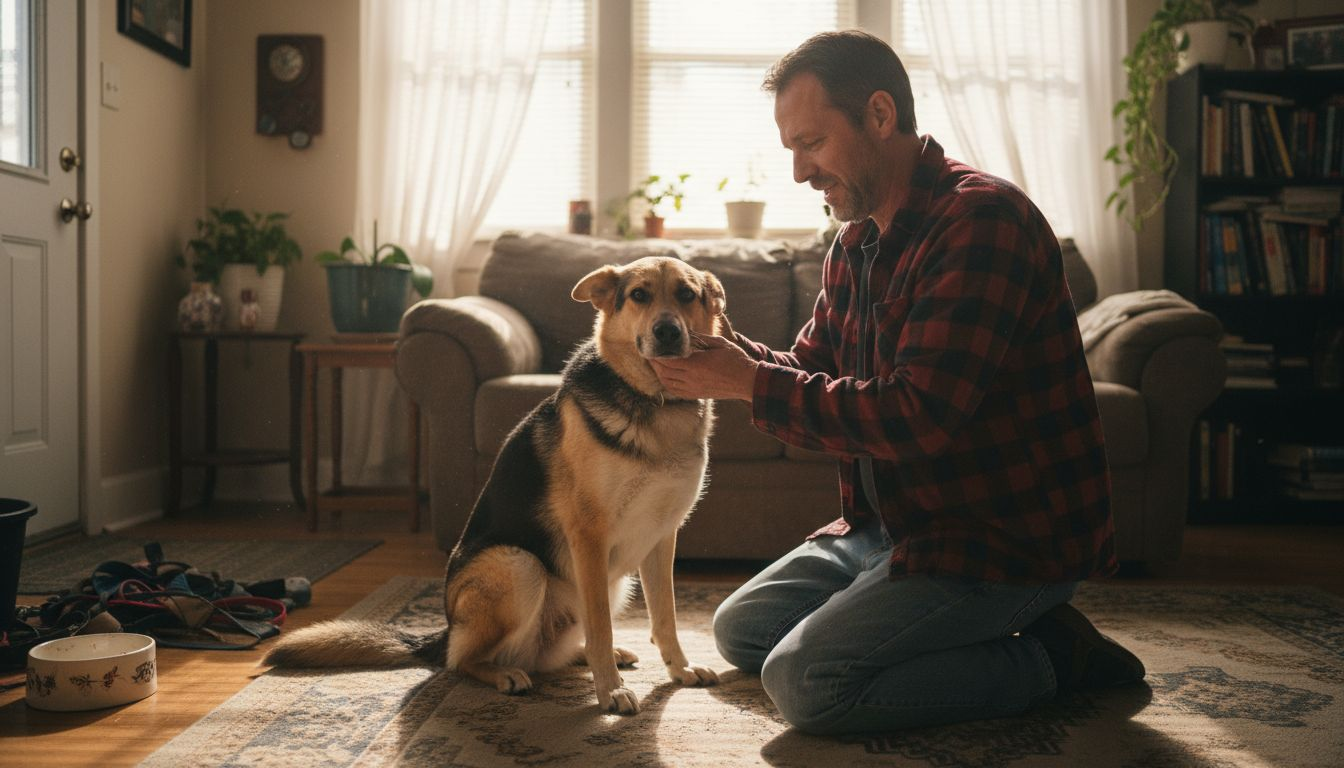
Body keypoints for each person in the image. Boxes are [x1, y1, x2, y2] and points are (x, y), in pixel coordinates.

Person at [650, 30, 1144, 736]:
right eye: (791, 148)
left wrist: (745, 383)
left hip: (998, 540)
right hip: (893, 530)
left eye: (812, 143)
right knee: (743, 632)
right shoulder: (855, 241)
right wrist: (725, 350)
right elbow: (813, 370)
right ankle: (933, 622)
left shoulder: (982, 223)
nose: (799, 173)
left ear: (880, 116)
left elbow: (919, 416)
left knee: (807, 683)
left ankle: (1051, 655)